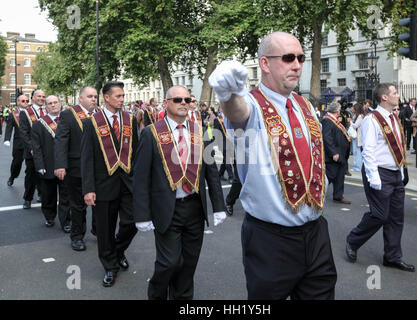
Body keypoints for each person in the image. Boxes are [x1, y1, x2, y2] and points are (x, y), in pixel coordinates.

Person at [208, 31, 337, 300]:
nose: (297, 65)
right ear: (265, 64)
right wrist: (227, 91)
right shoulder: (254, 105)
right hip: (271, 240)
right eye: (288, 58)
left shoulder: (304, 105)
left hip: (315, 233)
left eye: (301, 58)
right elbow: (237, 113)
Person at [133, 85, 226, 300]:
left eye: (187, 99)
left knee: (189, 263)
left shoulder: (199, 130)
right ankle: (157, 295)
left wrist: (219, 206)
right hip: (167, 209)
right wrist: (141, 215)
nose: (183, 103)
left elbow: (210, 172)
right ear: (166, 104)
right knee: (169, 262)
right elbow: (140, 178)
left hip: (194, 208)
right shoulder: (151, 133)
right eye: (177, 100)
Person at [346, 83, 414, 272]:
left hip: (395, 174)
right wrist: (374, 178)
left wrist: (401, 172)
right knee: (379, 215)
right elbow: (368, 151)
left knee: (396, 218)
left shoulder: (394, 118)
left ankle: (392, 256)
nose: (398, 95)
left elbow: (398, 147)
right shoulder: (371, 120)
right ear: (384, 97)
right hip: (379, 173)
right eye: (394, 93)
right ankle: (353, 240)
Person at [81, 81, 139, 287]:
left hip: (128, 184)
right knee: (105, 229)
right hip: (103, 185)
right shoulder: (91, 122)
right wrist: (88, 189)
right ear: (107, 97)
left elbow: (137, 153)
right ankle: (110, 266)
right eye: (119, 96)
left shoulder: (130, 120)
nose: (122, 99)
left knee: (133, 221)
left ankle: (117, 251)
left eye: (123, 96)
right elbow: (86, 158)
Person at [54, 86, 99, 251]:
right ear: (81, 98)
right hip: (76, 167)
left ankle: (98, 230)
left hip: (97, 169)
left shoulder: (99, 115)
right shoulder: (68, 114)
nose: (93, 99)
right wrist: (60, 164)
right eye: (90, 96)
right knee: (78, 204)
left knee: (99, 203)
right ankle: (77, 236)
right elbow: (61, 139)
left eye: (95, 96)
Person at [31, 96, 71, 231]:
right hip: (47, 165)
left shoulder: (68, 122)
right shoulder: (38, 124)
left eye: (55, 102)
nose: (53, 105)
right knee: (48, 195)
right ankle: (49, 216)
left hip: (66, 165)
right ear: (46, 107)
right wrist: (39, 166)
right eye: (50, 103)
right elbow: (36, 148)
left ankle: (66, 221)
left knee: (66, 195)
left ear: (60, 104)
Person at [19, 89, 45, 209]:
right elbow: (24, 133)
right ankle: (28, 198)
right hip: (32, 150)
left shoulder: (48, 110)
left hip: (46, 149)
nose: (41, 98)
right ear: (33, 98)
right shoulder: (25, 112)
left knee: (44, 174)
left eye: (43, 96)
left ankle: (42, 194)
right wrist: (32, 148)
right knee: (31, 175)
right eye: (38, 96)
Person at [322, 102, 352, 204]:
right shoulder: (327, 120)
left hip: (341, 153)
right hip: (334, 154)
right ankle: (318, 192)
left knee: (340, 176)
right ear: (338, 111)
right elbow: (327, 138)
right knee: (330, 175)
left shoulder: (334, 121)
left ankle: (338, 196)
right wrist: (333, 152)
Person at [4, 95, 28, 187]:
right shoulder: (13, 114)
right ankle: (12, 177)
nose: (25, 102)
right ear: (18, 102)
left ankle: (36, 184)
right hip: (19, 143)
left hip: (32, 143)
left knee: (33, 165)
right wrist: (7, 139)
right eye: (23, 101)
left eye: (26, 100)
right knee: (16, 163)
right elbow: (9, 128)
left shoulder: (32, 113)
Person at [350, 102, 365, 171]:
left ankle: (358, 167)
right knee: (355, 151)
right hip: (355, 136)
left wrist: (350, 122)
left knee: (357, 152)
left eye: (354, 108)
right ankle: (357, 166)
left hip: (358, 136)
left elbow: (355, 125)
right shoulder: (356, 116)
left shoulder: (361, 116)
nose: (353, 110)